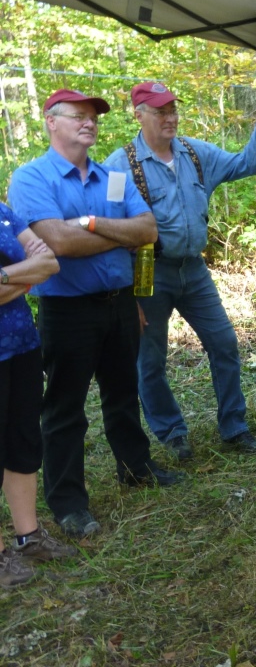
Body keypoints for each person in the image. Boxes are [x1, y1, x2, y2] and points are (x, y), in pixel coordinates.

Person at [8, 89, 182, 539]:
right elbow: (57, 245)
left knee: (124, 393)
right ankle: (67, 502)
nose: (89, 123)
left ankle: (135, 468)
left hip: (121, 304)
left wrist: (87, 224)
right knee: (65, 408)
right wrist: (115, 235)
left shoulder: (112, 178)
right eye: (78, 116)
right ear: (51, 121)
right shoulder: (31, 178)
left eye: (93, 117)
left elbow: (146, 231)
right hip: (67, 310)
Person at [104, 81, 256, 460]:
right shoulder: (119, 167)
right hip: (148, 270)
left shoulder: (193, 152)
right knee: (150, 358)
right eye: (160, 112)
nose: (170, 118)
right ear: (138, 115)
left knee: (223, 343)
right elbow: (111, 229)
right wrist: (124, 294)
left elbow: (248, 163)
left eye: (173, 110)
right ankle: (172, 432)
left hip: (195, 269)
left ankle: (234, 427)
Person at [0, 203, 78, 586]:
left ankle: (28, 537)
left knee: (24, 443)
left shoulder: (3, 212)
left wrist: (2, 276)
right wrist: (21, 278)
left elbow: (49, 265)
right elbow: (33, 269)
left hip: (22, 347)